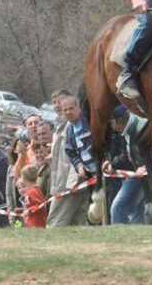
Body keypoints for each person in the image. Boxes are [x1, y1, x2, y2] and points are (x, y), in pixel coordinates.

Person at [46, 95, 90, 228]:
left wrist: (74, 178)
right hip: (64, 183)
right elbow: (70, 152)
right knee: (79, 223)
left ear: (77, 107)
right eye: (54, 103)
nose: (57, 106)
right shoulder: (66, 126)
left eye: (59, 102)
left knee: (55, 224)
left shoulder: (85, 123)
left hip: (70, 184)